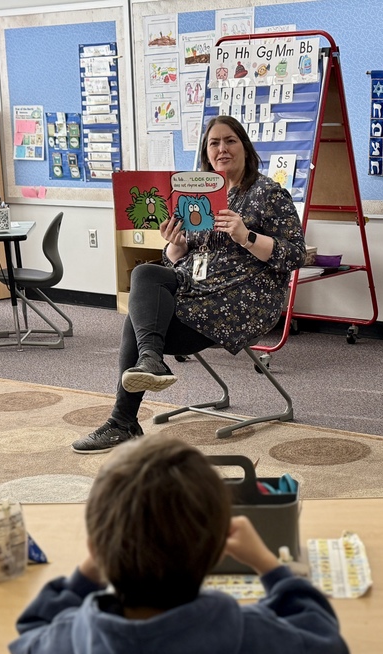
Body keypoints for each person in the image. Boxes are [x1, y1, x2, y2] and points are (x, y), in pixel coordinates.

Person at [10, 433, 349, 654]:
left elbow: (35, 627)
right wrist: (269, 565)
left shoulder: (64, 646)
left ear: (96, 549)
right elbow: (322, 635)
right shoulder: (259, 643)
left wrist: (86, 573)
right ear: (219, 552)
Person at [72, 115, 306, 453]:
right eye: (214, 143)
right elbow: (181, 258)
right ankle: (149, 362)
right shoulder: (200, 194)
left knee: (135, 323)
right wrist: (175, 246)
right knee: (145, 274)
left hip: (244, 299)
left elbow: (296, 255)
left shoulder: (268, 193)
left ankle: (124, 419)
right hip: (199, 290)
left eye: (230, 141)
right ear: (206, 153)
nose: (222, 148)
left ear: (245, 147)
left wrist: (246, 236)